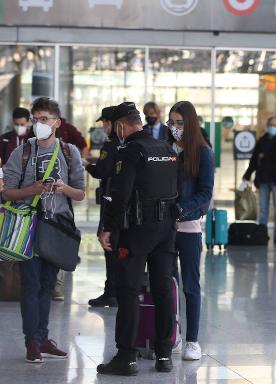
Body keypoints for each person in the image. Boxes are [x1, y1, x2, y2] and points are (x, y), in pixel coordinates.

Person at [97, 102, 179, 376]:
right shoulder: (166, 149)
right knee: (163, 289)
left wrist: (108, 227)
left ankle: (126, 356)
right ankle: (164, 354)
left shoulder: (131, 151)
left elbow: (120, 195)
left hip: (137, 231)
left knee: (129, 291)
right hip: (166, 230)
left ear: (121, 126)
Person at [2, 97, 85, 363]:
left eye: (45, 119)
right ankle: (32, 342)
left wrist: (64, 189)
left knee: (49, 286)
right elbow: (7, 194)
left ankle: (43, 336)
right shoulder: (22, 152)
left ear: (57, 123)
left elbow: (81, 193)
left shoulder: (70, 152)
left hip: (57, 228)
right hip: (29, 227)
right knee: (31, 284)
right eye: (36, 119)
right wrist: (33, 189)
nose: (39, 124)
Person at [167, 101, 214, 360]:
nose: (175, 128)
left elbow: (205, 193)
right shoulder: (164, 150)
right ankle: (173, 334)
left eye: (180, 123)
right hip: (164, 230)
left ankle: (192, 340)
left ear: (191, 124)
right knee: (167, 283)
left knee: (190, 285)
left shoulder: (202, 153)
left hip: (188, 228)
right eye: (171, 122)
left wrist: (181, 210)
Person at [86, 106, 120, 307]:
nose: (104, 127)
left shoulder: (111, 143)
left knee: (109, 245)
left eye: (105, 123)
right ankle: (118, 291)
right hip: (127, 203)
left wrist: (87, 165)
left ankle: (111, 292)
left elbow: (102, 171)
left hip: (110, 200)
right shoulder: (132, 143)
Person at [52, 115, 89, 301]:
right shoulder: (30, 144)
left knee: (61, 241)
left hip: (64, 202)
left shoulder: (68, 136)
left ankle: (57, 286)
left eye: (45, 118)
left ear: (57, 120)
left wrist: (80, 161)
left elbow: (83, 144)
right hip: (38, 205)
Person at [242, 116, 276, 245]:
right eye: (271, 125)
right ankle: (262, 233)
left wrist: (264, 156)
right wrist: (247, 174)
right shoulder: (262, 141)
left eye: (275, 125)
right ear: (267, 126)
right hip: (263, 178)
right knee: (263, 208)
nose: (273, 127)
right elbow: (254, 160)